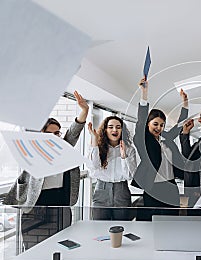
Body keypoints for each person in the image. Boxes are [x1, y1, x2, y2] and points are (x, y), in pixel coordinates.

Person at [4, 91, 88, 249]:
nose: (54, 137)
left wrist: (84, 111)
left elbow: (74, 132)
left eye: (57, 133)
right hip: (36, 203)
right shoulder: (33, 149)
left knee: (61, 245)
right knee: (33, 245)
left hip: (60, 201)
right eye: (49, 133)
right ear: (40, 134)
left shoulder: (63, 148)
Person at [132, 78, 188, 220]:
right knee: (152, 222)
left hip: (171, 186)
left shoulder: (166, 139)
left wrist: (185, 104)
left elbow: (179, 126)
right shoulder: (143, 141)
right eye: (155, 124)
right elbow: (140, 123)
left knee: (172, 222)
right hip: (153, 188)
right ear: (148, 124)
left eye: (162, 125)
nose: (159, 128)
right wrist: (144, 93)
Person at [87, 116, 137, 221]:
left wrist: (123, 157)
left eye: (118, 127)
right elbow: (93, 169)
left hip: (121, 190)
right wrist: (95, 142)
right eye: (111, 127)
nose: (115, 130)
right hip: (101, 190)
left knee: (122, 226)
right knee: (99, 227)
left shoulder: (129, 149)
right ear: (105, 130)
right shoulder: (97, 147)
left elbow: (130, 175)